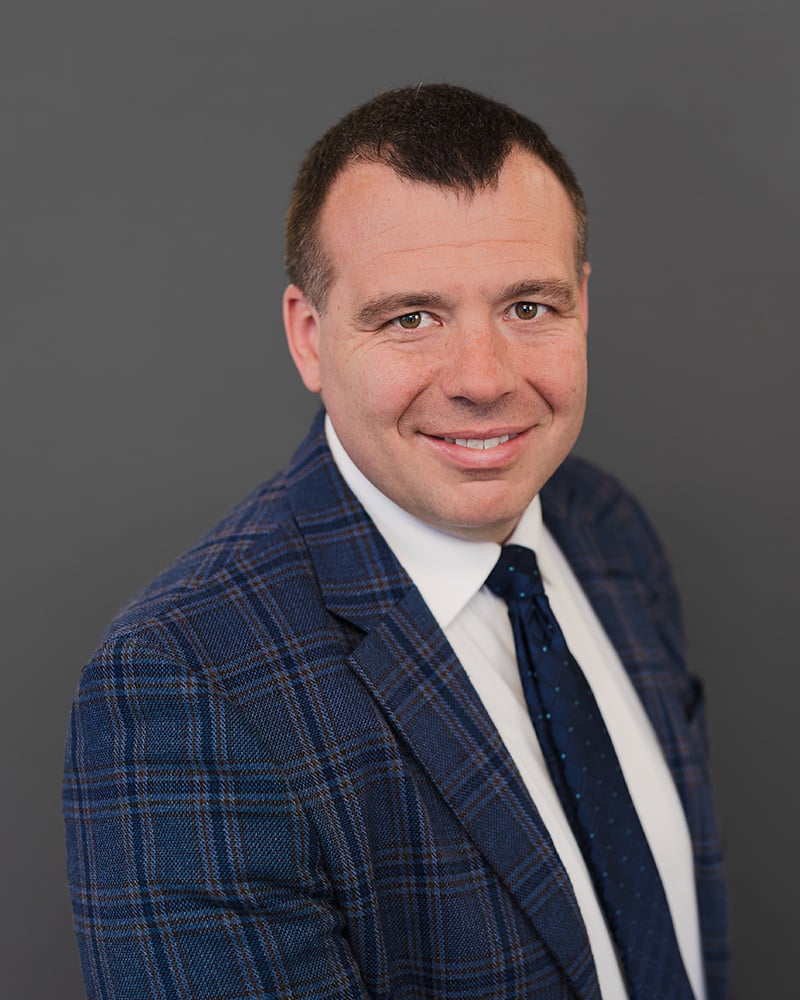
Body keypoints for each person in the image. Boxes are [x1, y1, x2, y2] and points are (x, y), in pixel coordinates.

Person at [64, 84, 729, 999]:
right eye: (411, 317)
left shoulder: (608, 531)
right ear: (309, 337)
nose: (482, 379)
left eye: (528, 307)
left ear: (582, 304)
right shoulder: (187, 682)